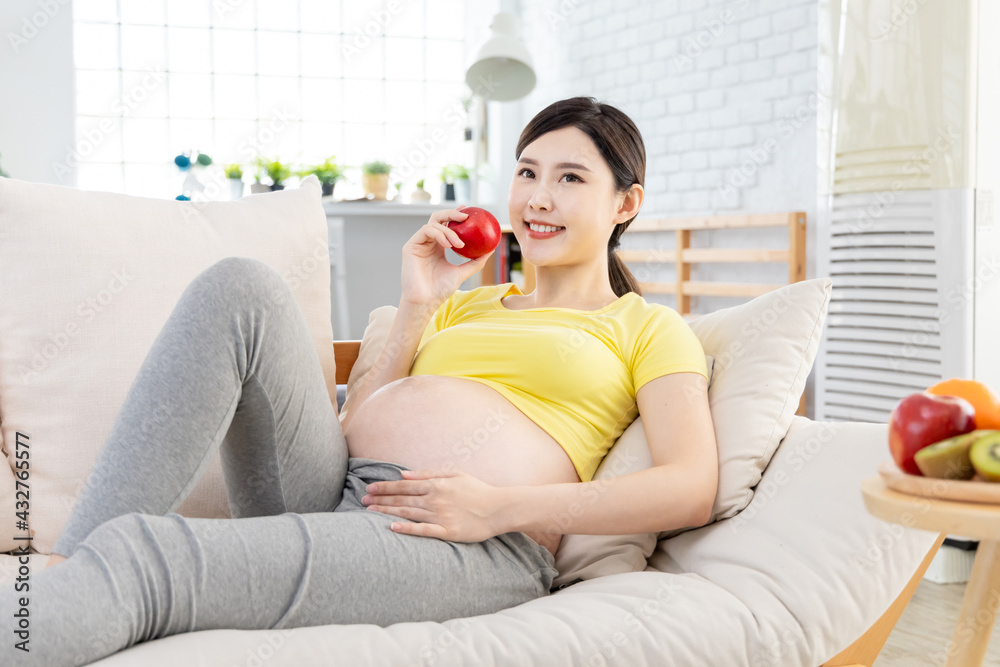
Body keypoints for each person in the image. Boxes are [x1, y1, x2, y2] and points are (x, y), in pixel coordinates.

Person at [5, 96, 717, 665]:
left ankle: (61, 599)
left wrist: (500, 507)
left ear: (626, 203)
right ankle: (68, 568)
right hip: (338, 483)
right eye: (527, 172)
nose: (537, 196)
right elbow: (355, 423)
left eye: (570, 178)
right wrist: (417, 302)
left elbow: (691, 486)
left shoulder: (647, 328)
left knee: (146, 555)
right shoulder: (463, 303)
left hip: (462, 539)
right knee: (241, 286)